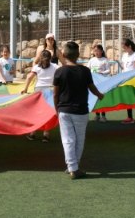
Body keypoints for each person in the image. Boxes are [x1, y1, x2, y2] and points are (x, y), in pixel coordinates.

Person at [53, 41, 104, 180]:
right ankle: (74, 167)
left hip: (64, 110)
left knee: (67, 139)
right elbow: (91, 87)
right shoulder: (85, 71)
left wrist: (57, 109)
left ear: (63, 54)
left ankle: (72, 166)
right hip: (81, 110)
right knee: (79, 139)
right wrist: (99, 94)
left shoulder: (59, 71)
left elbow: (55, 94)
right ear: (78, 55)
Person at [22, 49, 58, 142]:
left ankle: (32, 133)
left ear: (40, 59)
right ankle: (46, 135)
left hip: (39, 91)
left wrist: (25, 89)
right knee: (48, 112)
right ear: (50, 58)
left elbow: (29, 77)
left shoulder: (36, 67)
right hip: (50, 91)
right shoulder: (55, 66)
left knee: (37, 112)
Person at [119, 38, 135, 125]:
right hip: (125, 79)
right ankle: (130, 117)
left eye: (124, 47)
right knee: (128, 99)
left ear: (129, 46)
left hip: (133, 79)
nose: (123, 49)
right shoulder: (124, 55)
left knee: (134, 98)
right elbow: (124, 68)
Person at [87, 44, 110, 122]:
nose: (96, 52)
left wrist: (102, 72)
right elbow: (88, 69)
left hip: (102, 81)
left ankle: (103, 116)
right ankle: (97, 115)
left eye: (97, 51)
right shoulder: (92, 60)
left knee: (102, 97)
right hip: (93, 82)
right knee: (95, 97)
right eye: (94, 51)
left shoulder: (104, 60)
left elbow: (108, 70)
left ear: (101, 51)